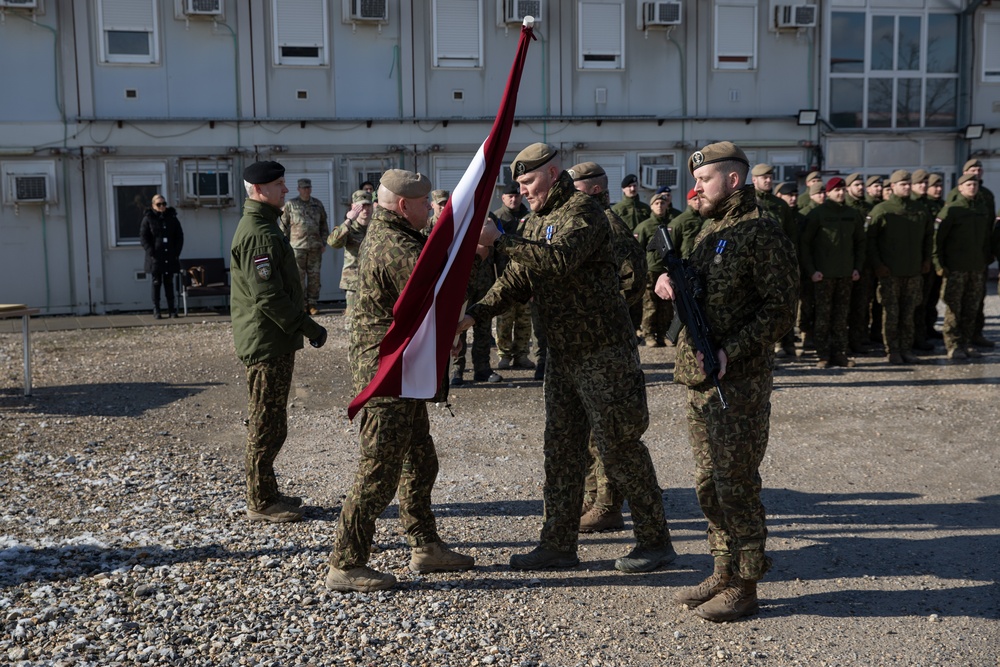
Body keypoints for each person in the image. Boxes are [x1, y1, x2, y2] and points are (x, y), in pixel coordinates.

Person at [461, 143, 676, 574]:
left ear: (553, 172)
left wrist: (501, 239)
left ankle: (655, 542)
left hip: (602, 353)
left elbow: (557, 260)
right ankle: (557, 544)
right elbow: (520, 278)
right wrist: (472, 315)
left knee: (619, 447)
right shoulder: (536, 220)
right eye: (518, 185)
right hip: (561, 354)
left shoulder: (582, 211)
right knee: (561, 450)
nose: (522, 191)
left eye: (528, 182)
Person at [654, 141, 798, 622]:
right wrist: (666, 282)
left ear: (733, 181)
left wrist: (729, 351)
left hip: (737, 381)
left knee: (735, 483)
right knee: (707, 482)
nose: (695, 188)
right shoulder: (708, 229)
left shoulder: (762, 233)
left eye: (704, 180)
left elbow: (780, 311)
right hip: (700, 377)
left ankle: (747, 583)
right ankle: (723, 566)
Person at [325, 169, 474, 593]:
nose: (430, 210)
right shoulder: (394, 244)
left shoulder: (397, 235)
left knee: (420, 461)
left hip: (403, 370)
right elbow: (436, 287)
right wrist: (473, 255)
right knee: (378, 472)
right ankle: (345, 563)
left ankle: (425, 545)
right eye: (425, 204)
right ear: (403, 205)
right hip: (387, 374)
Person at [231, 161, 327, 524]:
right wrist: (309, 327)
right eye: (279, 185)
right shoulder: (259, 234)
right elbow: (268, 297)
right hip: (267, 339)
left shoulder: (264, 226)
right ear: (259, 190)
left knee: (271, 420)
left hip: (272, 338)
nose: (286, 191)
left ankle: (267, 491)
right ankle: (260, 501)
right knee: (266, 422)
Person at [568, 160, 648, 534]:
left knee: (607, 432)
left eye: (573, 188)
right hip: (583, 345)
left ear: (595, 190)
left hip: (606, 345)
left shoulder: (610, 225)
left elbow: (633, 280)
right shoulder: (579, 223)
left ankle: (608, 505)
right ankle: (591, 497)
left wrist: (599, 311)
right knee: (586, 431)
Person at [866, 170, 932, 365]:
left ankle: (906, 348)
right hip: (890, 272)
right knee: (892, 313)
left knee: (909, 313)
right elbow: (870, 240)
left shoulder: (919, 209)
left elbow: (929, 236)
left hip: (913, 271)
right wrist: (878, 265)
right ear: (893, 186)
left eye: (908, 183)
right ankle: (893, 349)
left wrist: (926, 259)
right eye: (902, 184)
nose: (906, 187)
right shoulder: (882, 210)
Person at [800, 177, 866, 368]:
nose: (840, 193)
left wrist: (857, 268)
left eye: (842, 190)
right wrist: (811, 270)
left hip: (845, 274)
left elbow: (860, 243)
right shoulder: (817, 214)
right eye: (836, 190)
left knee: (841, 316)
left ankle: (840, 353)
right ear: (828, 193)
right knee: (822, 316)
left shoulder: (852, 214)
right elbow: (805, 244)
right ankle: (823, 355)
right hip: (823, 275)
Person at [933, 174, 993, 361]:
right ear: (960, 187)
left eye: (974, 184)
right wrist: (939, 264)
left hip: (976, 267)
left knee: (971, 307)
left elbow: (987, 238)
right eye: (968, 184)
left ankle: (967, 342)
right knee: (954, 308)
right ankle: (953, 345)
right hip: (956, 268)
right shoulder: (952, 210)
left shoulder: (982, 209)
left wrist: (986, 259)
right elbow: (937, 240)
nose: (972, 187)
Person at [752, 164, 798, 357]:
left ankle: (787, 344)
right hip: (756, 264)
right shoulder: (748, 203)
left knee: (782, 303)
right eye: (764, 177)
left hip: (779, 263)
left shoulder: (780, 205)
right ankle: (766, 349)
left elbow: (791, 235)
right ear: (754, 180)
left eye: (770, 177)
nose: (768, 180)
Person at [492, 181, 535, 371]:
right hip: (504, 278)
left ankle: (522, 355)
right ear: (503, 198)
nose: (514, 198)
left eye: (517, 195)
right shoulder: (497, 219)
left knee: (524, 319)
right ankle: (504, 355)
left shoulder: (531, 217)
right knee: (504, 320)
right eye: (510, 196)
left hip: (525, 278)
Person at [280, 178, 329, 315]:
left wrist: (324, 242)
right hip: (297, 247)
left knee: (314, 278)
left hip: (315, 247)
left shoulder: (317, 204)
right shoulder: (291, 204)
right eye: (303, 188)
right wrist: (284, 245)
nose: (306, 190)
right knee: (298, 278)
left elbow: (324, 225)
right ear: (298, 189)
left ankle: (312, 304)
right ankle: (300, 305)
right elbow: (283, 226)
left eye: (308, 188)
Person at [633, 191, 676, 347]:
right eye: (656, 203)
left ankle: (665, 334)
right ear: (651, 207)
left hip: (667, 270)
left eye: (663, 203)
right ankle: (649, 334)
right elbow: (637, 249)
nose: (660, 206)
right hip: (651, 270)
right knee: (650, 305)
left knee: (666, 305)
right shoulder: (644, 226)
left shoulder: (672, 224)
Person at [327, 189, 373, 331]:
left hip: (373, 282)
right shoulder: (348, 228)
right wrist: (349, 220)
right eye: (361, 206)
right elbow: (333, 242)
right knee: (353, 324)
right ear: (354, 207)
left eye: (367, 206)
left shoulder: (376, 227)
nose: (365, 210)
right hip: (354, 283)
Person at [139, 194, 184, 319]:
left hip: (169, 256)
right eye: (159, 204)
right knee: (156, 283)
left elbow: (179, 236)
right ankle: (157, 310)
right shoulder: (148, 219)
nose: (162, 206)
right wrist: (151, 251)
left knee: (169, 283)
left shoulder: (172, 218)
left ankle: (172, 310)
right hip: (155, 258)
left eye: (164, 204)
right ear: (153, 205)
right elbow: (144, 237)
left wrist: (176, 252)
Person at [670, 187, 705, 259]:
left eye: (700, 199)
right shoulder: (680, 221)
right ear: (688, 202)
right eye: (694, 199)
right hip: (687, 261)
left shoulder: (707, 217)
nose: (698, 202)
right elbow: (671, 245)